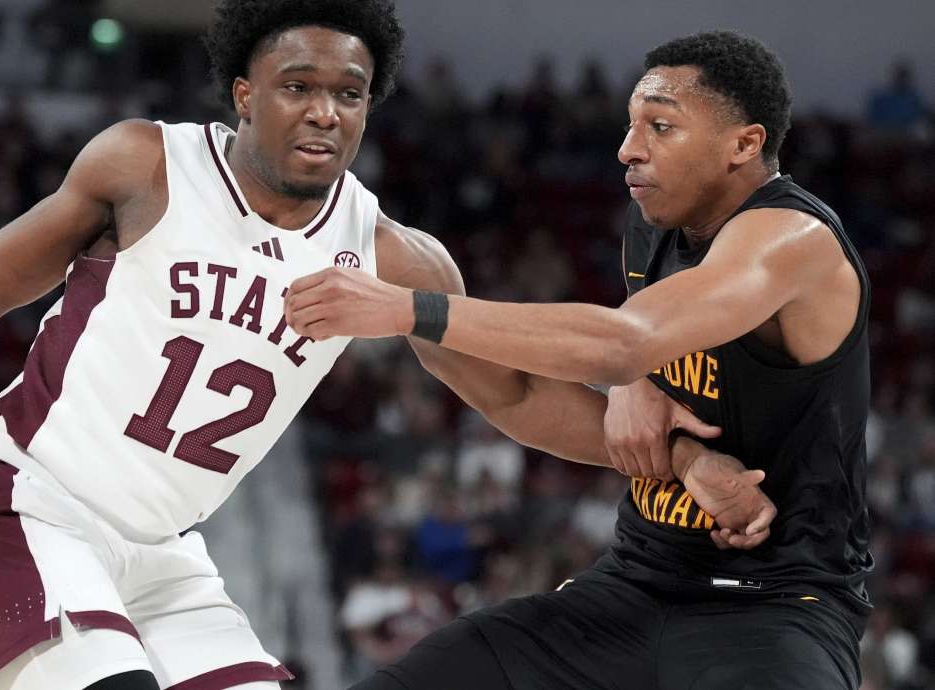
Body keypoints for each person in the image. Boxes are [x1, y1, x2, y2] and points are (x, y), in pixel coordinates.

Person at [0, 6, 773, 689]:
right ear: (242, 92)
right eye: (297, 84)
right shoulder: (144, 166)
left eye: (348, 92)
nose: (324, 110)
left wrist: (683, 459)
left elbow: (513, 400)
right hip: (27, 512)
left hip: (172, 559)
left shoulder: (396, 257)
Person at [287, 30, 871, 690]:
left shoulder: (793, 239)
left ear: (744, 144)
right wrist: (682, 453)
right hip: (629, 589)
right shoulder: (652, 228)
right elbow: (530, 398)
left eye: (660, 126)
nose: (629, 149)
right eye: (630, 125)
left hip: (774, 610)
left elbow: (622, 344)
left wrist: (406, 310)